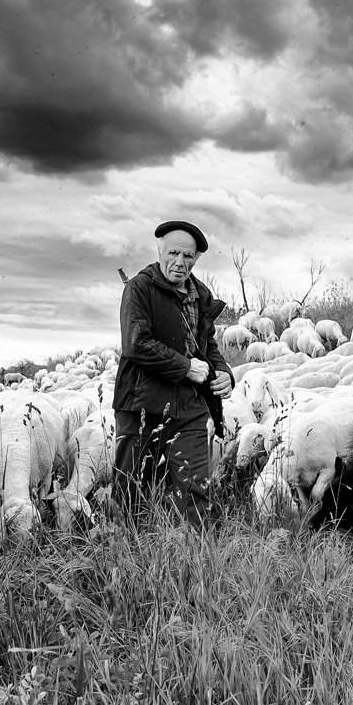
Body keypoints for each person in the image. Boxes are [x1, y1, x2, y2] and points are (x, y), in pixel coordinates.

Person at [113, 219, 235, 520]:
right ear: (160, 251)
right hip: (142, 405)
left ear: (196, 259)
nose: (179, 262)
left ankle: (194, 557)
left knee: (196, 490)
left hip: (189, 407)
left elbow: (208, 348)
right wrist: (184, 368)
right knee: (130, 491)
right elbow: (136, 343)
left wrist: (223, 372)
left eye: (188, 256)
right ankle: (121, 555)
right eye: (173, 254)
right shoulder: (139, 289)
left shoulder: (200, 297)